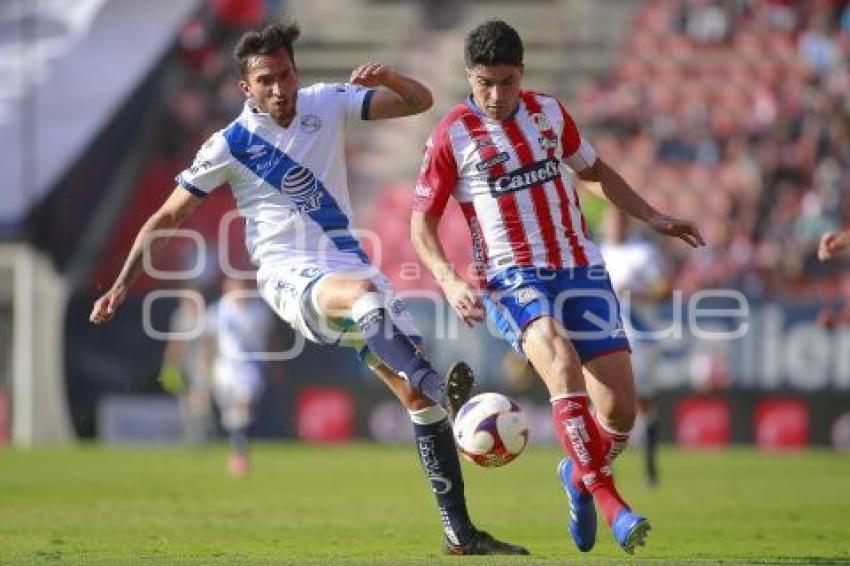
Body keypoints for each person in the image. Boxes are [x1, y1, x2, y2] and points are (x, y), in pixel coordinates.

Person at [89, 19, 526, 556]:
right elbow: (164, 219)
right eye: (266, 80)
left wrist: (387, 75)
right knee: (372, 306)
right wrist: (120, 284)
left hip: (349, 264)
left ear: (296, 72)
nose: (279, 88)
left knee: (418, 404)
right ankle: (444, 390)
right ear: (245, 86)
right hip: (288, 275)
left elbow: (420, 101)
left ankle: (460, 532)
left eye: (285, 75)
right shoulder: (230, 145)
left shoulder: (327, 102)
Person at [410, 20, 704, 555]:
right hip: (508, 277)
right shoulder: (451, 134)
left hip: (579, 266)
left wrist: (652, 216)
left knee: (619, 414)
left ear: (521, 73)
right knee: (560, 365)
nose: (496, 96)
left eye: (506, 82)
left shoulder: (548, 111)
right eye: (484, 83)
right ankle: (612, 504)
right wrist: (450, 280)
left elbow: (593, 171)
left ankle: (577, 476)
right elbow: (421, 225)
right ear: (467, 77)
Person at [599, 210, 669, 487]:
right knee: (603, 400)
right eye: (611, 220)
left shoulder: (644, 253)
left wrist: (635, 293)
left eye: (619, 220)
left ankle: (650, 468)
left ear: (627, 224)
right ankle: (603, 468)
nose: (614, 225)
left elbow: (665, 289)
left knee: (645, 401)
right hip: (606, 336)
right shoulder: (596, 252)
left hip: (642, 337)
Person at [207, 275, 274, 477]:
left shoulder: (259, 311)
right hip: (225, 368)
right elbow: (209, 342)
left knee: (243, 405)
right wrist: (207, 368)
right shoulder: (217, 311)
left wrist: (273, 363)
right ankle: (238, 449)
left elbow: (270, 338)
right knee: (233, 416)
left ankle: (239, 456)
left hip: (250, 367)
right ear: (227, 288)